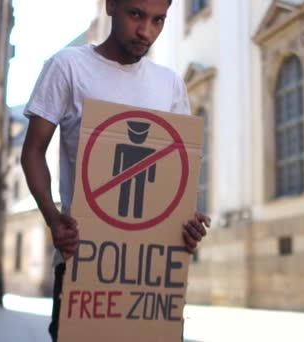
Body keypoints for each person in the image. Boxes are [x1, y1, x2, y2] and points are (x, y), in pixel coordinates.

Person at [21, 0, 210, 340]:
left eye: (158, 20)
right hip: (83, 267)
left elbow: (177, 173)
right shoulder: (68, 67)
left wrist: (187, 221)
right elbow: (33, 150)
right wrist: (52, 217)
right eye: (136, 14)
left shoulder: (170, 85)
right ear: (110, 6)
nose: (145, 31)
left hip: (152, 281)